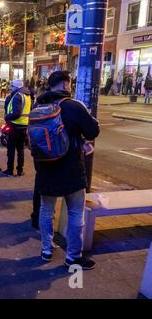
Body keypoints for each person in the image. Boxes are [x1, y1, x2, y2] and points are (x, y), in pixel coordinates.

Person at [34, 71, 100, 270]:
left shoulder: (39, 106)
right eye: (70, 83)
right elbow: (93, 131)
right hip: (71, 167)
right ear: (65, 84)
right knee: (75, 213)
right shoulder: (73, 105)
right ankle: (73, 257)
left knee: (46, 210)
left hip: (45, 167)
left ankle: (46, 250)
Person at [3, 79, 32, 177]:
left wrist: (7, 117)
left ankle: (10, 170)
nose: (10, 89)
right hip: (24, 126)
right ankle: (20, 170)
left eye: (12, 87)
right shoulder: (27, 95)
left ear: (16, 87)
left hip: (15, 126)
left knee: (11, 149)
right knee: (21, 150)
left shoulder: (17, 96)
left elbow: (16, 113)